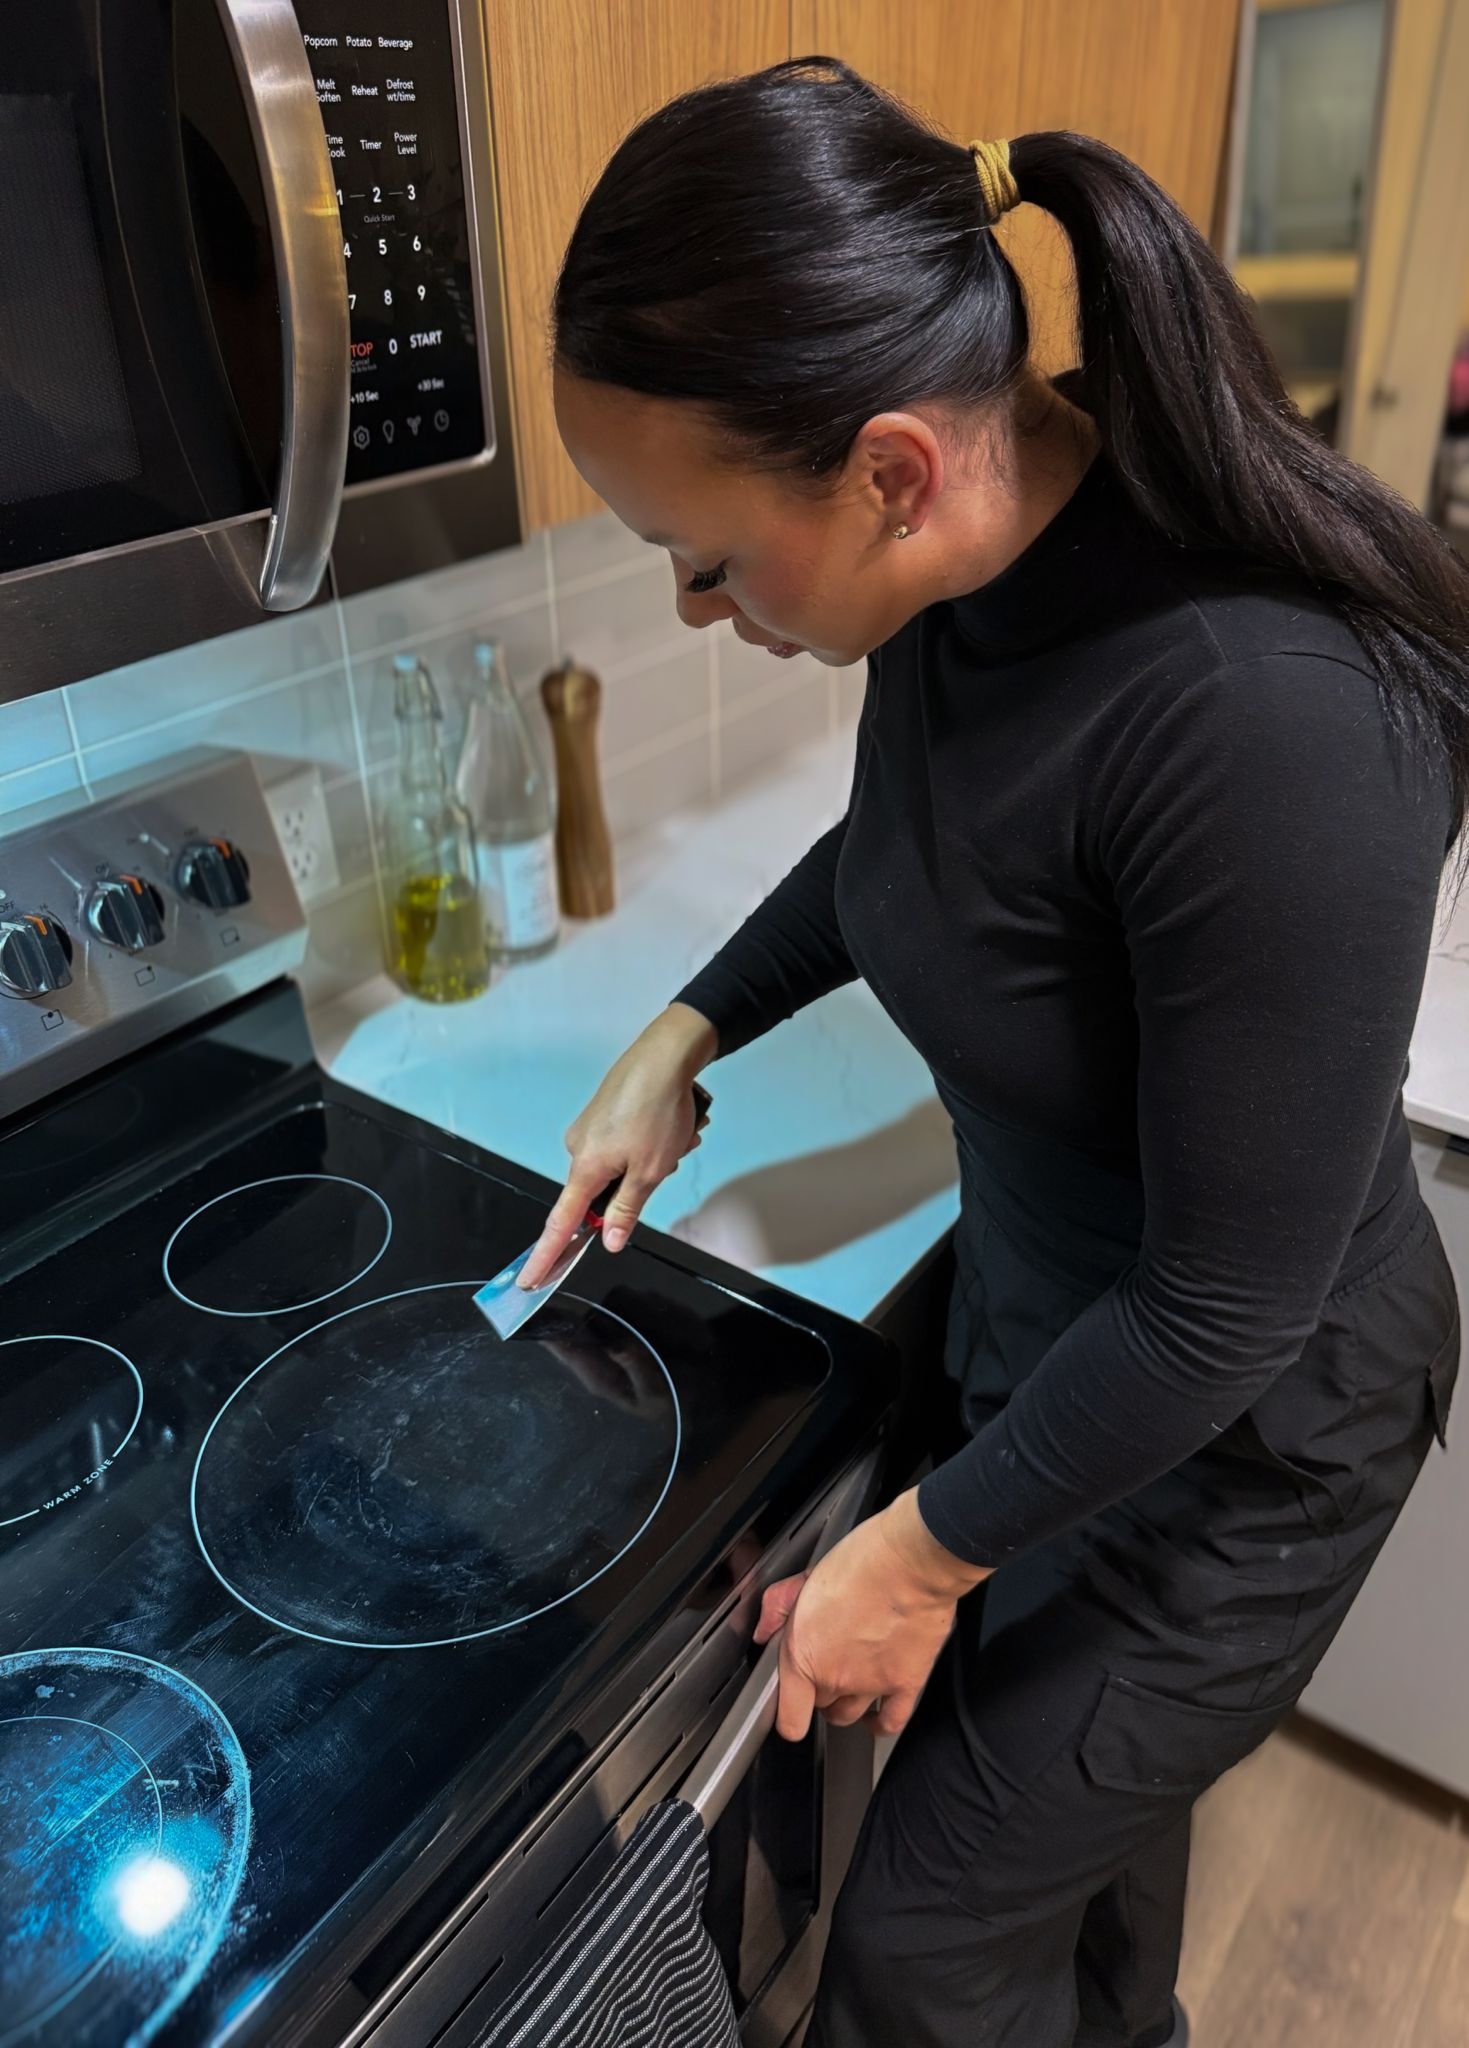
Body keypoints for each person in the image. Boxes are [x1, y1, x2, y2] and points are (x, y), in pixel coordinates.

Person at [513, 57, 1469, 2048]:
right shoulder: (977, 570)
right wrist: (686, 1025)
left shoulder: (1262, 718)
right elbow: (906, 852)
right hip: (1059, 1360)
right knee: (1082, 1859)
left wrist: (918, 1555)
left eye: (707, 552)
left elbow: (1223, 1310)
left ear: (888, 469)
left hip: (1247, 1443)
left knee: (925, 1945)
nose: (693, 606)